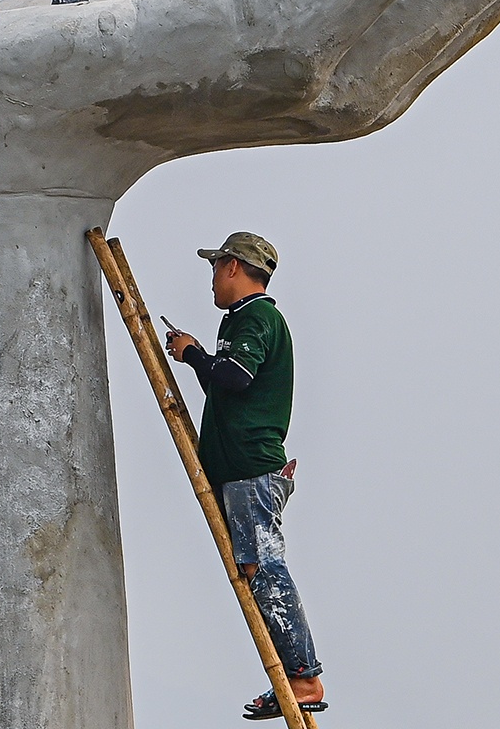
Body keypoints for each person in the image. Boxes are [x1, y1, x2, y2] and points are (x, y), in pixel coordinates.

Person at [164, 232, 327, 718]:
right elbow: (229, 386)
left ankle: (302, 678)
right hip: (240, 467)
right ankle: (296, 676)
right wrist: (198, 357)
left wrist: (194, 353)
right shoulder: (242, 319)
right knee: (258, 566)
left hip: (249, 467)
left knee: (264, 566)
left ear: (233, 266)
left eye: (216, 267)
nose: (212, 278)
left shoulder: (257, 317)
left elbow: (236, 377)